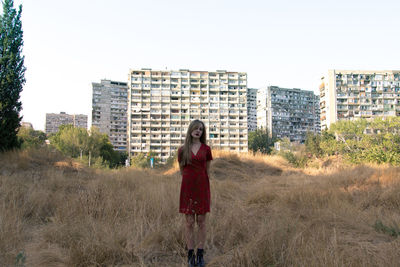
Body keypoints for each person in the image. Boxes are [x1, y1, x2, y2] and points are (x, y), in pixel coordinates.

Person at [178, 120, 213, 267]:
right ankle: (190, 255)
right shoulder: (182, 150)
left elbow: (207, 170)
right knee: (189, 222)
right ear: (190, 129)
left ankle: (200, 255)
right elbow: (182, 170)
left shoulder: (206, 149)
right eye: (196, 128)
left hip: (202, 186)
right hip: (187, 187)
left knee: (201, 221)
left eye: (201, 129)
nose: (198, 131)